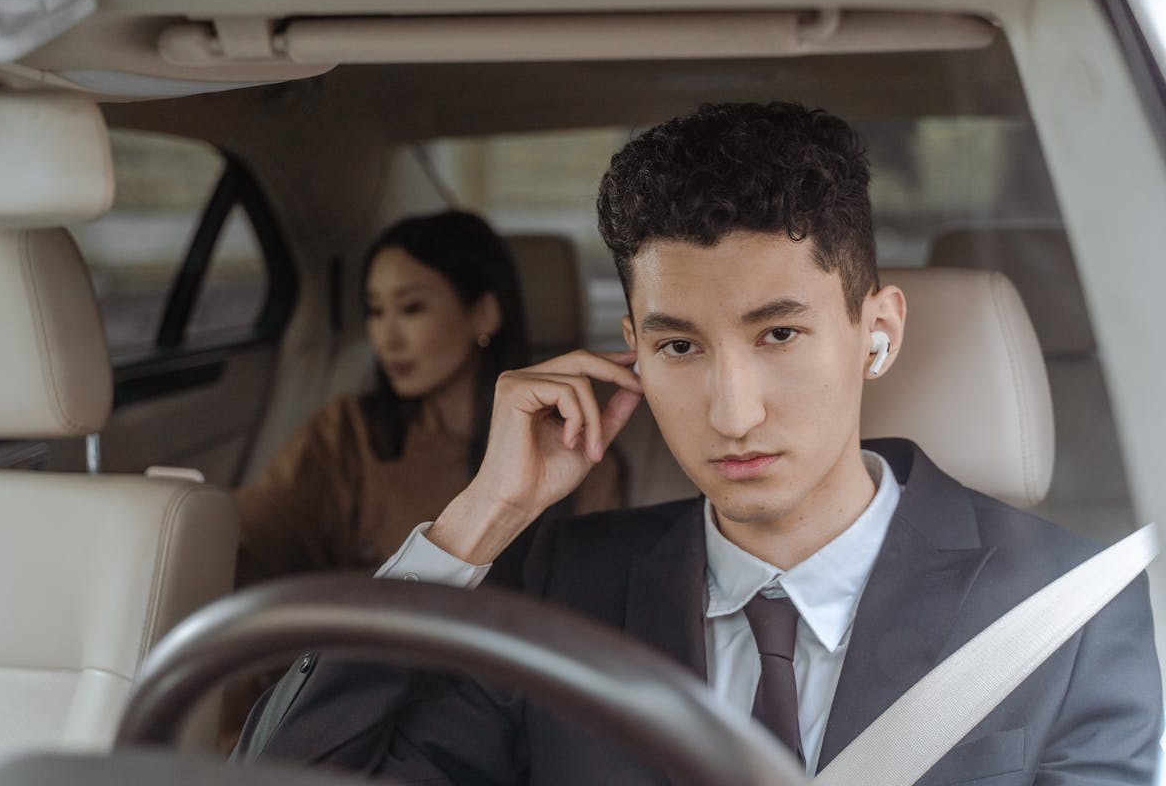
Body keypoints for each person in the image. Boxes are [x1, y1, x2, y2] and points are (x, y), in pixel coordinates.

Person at [233, 104, 1162, 784]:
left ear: (877, 330)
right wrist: (481, 520)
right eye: (680, 346)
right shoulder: (554, 591)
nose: (733, 412)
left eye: (780, 335)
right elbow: (292, 775)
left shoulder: (1066, 613)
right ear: (630, 353)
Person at [235, 209, 625, 586]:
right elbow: (245, 548)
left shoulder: (571, 451)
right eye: (374, 311)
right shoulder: (348, 433)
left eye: (411, 308)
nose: (386, 338)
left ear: (484, 314)